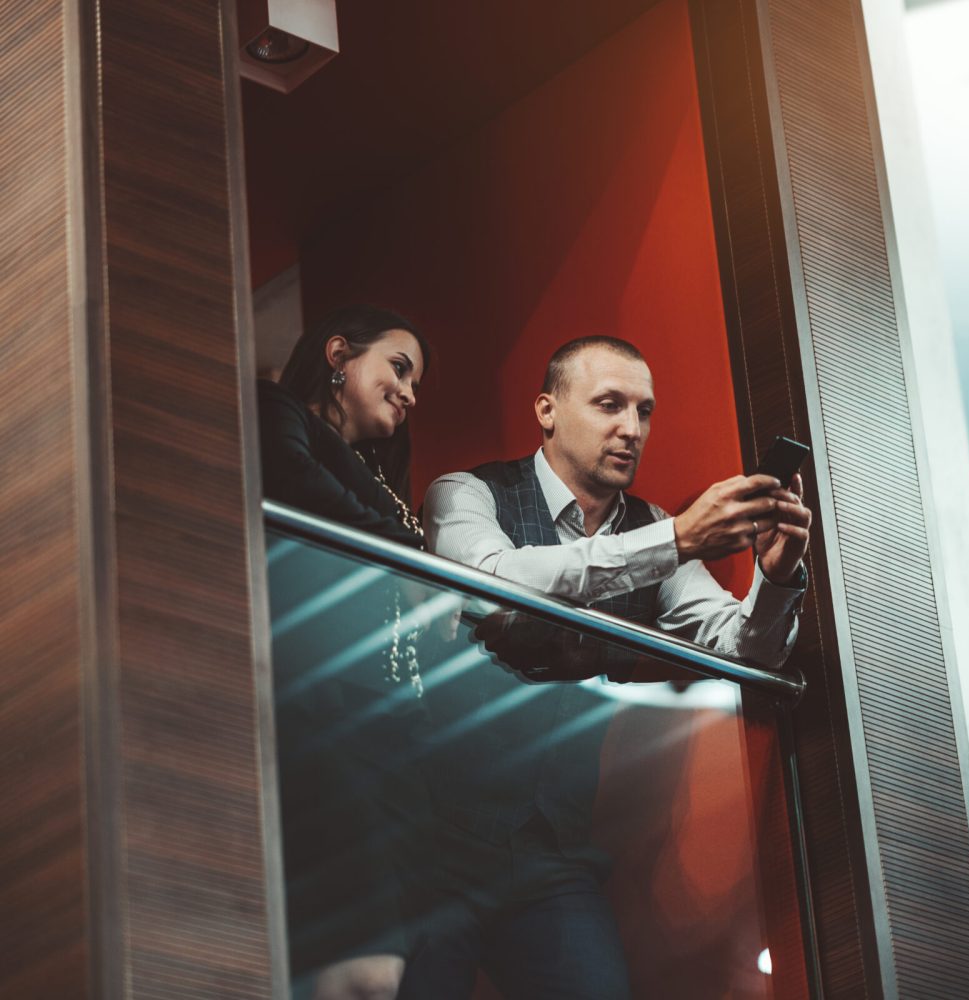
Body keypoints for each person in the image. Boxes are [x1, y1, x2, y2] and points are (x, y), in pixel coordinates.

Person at [405, 335, 811, 1000]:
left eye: (644, 411)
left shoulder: (650, 523)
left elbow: (744, 651)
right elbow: (493, 581)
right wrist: (674, 541)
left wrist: (776, 574)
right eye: (609, 404)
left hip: (551, 853)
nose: (632, 428)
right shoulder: (466, 493)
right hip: (429, 841)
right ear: (547, 410)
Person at [258, 305, 432, 1000]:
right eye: (399, 367)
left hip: (387, 728)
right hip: (314, 708)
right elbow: (292, 484)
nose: (411, 392)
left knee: (385, 959)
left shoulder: (376, 475)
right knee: (364, 967)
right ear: (338, 356)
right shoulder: (277, 409)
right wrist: (402, 551)